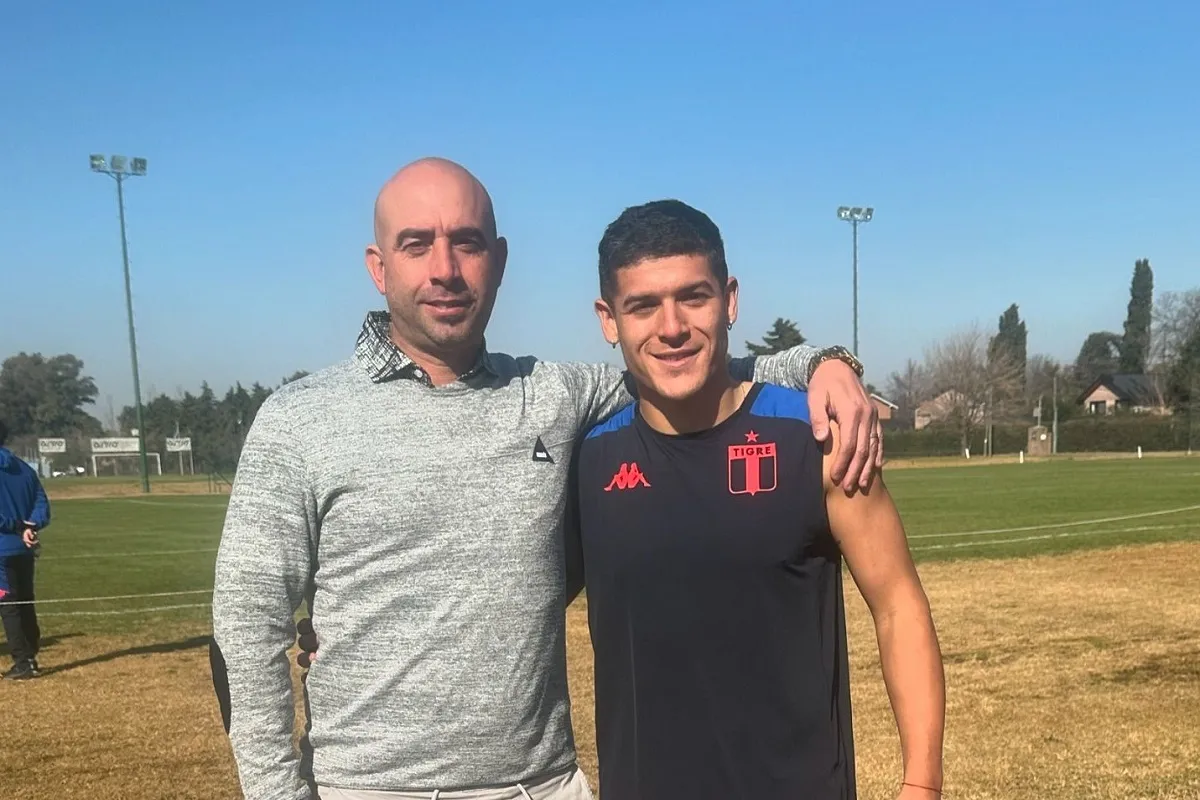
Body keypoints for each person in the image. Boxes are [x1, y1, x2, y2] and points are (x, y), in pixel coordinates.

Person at [211, 157, 883, 800]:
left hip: (542, 785)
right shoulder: (300, 420)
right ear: (378, 266)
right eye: (417, 244)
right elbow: (246, 625)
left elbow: (684, 360)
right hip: (369, 786)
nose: (445, 269)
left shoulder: (555, 393)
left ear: (498, 261)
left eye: (467, 243)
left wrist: (823, 362)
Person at [566, 199, 945, 799]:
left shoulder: (816, 438)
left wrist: (921, 785)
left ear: (730, 300)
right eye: (643, 305)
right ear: (609, 319)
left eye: (694, 296)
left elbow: (899, 605)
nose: (671, 327)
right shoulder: (585, 461)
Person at [0, 420, 50, 681]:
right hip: (24, 548)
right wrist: (31, 525)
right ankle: (31, 655)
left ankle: (23, 662)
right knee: (25, 602)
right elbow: (42, 503)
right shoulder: (23, 468)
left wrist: (18, 526)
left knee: (8, 605)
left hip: (2, 549)